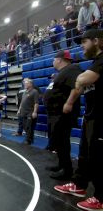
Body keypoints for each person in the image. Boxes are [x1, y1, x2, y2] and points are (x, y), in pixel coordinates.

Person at [54, 29, 103, 211]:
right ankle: (79, 185)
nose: (81, 45)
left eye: (84, 42)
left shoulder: (102, 59)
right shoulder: (95, 62)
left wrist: (81, 80)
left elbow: (84, 79)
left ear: (96, 41)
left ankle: (100, 198)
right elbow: (80, 84)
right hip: (91, 115)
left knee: (98, 157)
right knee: (84, 154)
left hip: (100, 118)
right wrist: (81, 82)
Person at [44, 50, 82, 180]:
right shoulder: (64, 72)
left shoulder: (72, 69)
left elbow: (77, 87)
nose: (53, 62)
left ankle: (67, 171)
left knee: (63, 142)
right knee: (59, 142)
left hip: (63, 114)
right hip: (56, 114)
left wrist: (69, 103)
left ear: (59, 59)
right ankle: (61, 165)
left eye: (54, 59)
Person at [18, 79, 39, 145]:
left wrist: (35, 112)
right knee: (24, 126)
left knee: (29, 126)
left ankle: (28, 140)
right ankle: (30, 138)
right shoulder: (25, 92)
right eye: (24, 83)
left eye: (26, 83)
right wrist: (19, 110)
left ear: (30, 84)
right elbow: (22, 102)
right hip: (23, 112)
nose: (24, 84)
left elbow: (36, 103)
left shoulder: (34, 91)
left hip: (30, 112)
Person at [43, 73, 56, 152]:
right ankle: (50, 144)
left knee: (54, 129)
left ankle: (54, 146)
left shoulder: (58, 84)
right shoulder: (50, 84)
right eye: (51, 78)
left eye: (53, 77)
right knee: (50, 128)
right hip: (49, 110)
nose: (51, 79)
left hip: (55, 110)